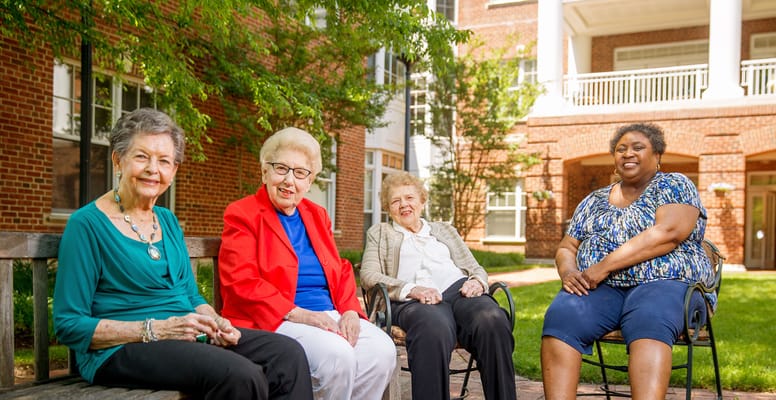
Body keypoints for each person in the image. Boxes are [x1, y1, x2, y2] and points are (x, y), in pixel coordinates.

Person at [53, 108, 313, 400]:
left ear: (173, 171)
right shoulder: (87, 225)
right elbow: (69, 324)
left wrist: (216, 322)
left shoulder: (166, 220)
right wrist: (156, 329)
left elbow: (190, 296)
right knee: (241, 374)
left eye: (164, 161)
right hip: (119, 350)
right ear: (118, 160)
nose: (154, 169)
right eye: (141, 157)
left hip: (185, 336)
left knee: (287, 354)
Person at [218, 127, 396, 400]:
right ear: (265, 172)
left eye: (300, 173)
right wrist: (298, 313)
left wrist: (349, 310)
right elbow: (241, 280)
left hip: (327, 315)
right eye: (281, 169)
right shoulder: (243, 213)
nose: (290, 180)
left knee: (381, 351)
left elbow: (339, 269)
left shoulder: (316, 214)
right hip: (275, 318)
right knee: (337, 355)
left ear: (309, 181)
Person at [540, 122, 715, 400]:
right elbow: (567, 246)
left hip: (668, 284)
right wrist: (569, 270)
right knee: (562, 316)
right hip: (603, 287)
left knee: (649, 318)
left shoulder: (674, 185)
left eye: (637, 147)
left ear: (657, 155)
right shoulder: (593, 200)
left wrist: (602, 267)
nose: (627, 154)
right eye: (620, 149)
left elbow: (668, 234)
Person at [360, 171, 517, 400]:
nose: (404, 204)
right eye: (396, 200)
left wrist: (477, 281)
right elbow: (369, 275)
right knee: (433, 327)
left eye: (409, 198)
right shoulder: (380, 233)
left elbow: (475, 267)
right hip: (413, 299)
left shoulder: (444, 230)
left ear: (422, 200)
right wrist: (411, 289)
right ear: (388, 207)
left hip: (459, 290)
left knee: (491, 319)